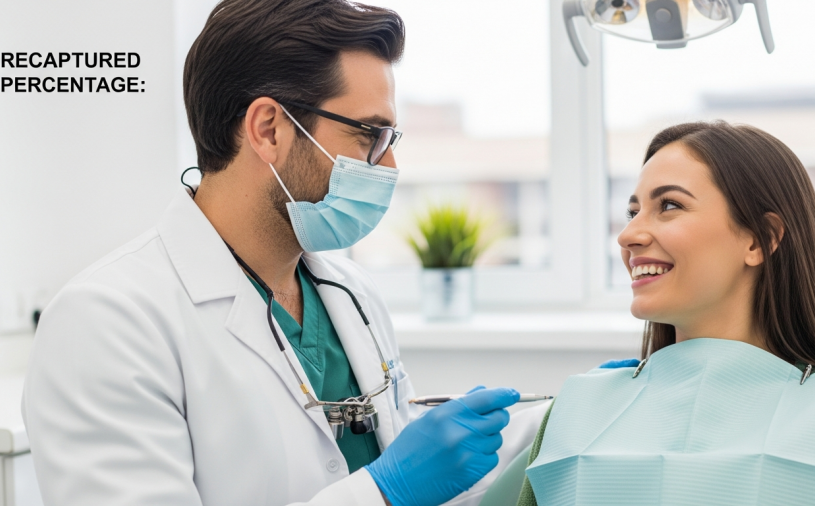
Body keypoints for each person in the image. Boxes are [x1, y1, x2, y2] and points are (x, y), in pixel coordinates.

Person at [21, 1, 545, 505]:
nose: (386, 167)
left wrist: (562, 418)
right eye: (370, 135)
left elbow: (396, 467)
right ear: (268, 129)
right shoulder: (105, 322)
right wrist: (385, 491)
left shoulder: (350, 293)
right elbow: (387, 485)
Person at [517, 121, 815, 505]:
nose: (628, 235)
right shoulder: (576, 411)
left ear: (760, 239)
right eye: (633, 211)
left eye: (669, 205)